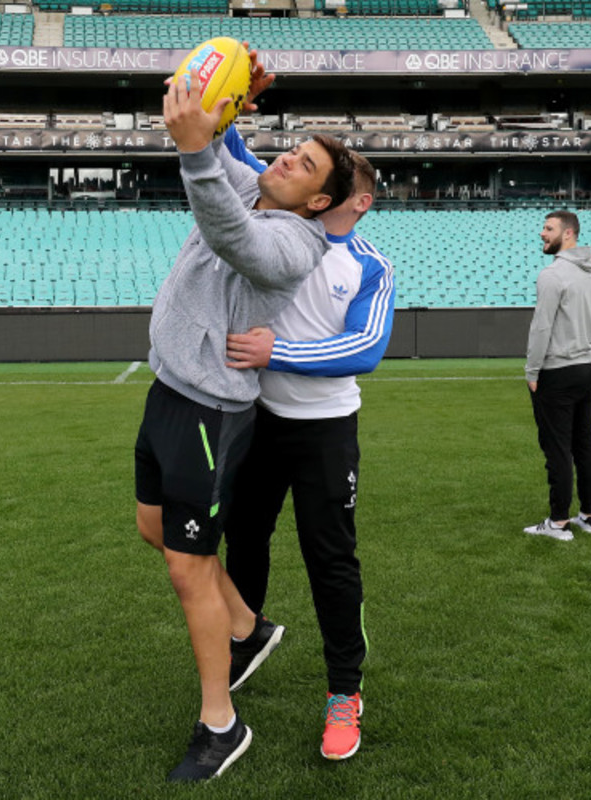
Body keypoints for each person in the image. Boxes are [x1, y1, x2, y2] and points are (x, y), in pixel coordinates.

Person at [134, 66, 355, 782]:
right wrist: (225, 111)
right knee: (152, 528)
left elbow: (230, 232)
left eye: (305, 165)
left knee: (186, 564)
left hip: (210, 409)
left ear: (319, 200)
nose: (284, 158)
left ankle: (220, 725)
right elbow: (221, 156)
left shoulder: (295, 244)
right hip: (170, 390)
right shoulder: (254, 188)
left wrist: (200, 150)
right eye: (292, 147)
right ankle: (249, 626)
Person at [221, 127, 395, 761]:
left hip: (326, 432)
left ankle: (344, 694)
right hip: (259, 418)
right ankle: (244, 643)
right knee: (243, 539)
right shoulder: (286, 227)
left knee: (331, 562)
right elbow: (242, 159)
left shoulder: (370, 265)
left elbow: (366, 349)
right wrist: (227, 107)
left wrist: (280, 351)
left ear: (355, 200)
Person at [523, 210, 591, 541]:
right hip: (590, 366)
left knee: (557, 448)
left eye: (548, 228)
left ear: (568, 234)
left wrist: (532, 370)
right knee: (585, 442)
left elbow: (541, 326)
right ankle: (588, 515)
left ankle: (558, 523)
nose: (542, 233)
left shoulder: (553, 274)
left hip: (558, 370)